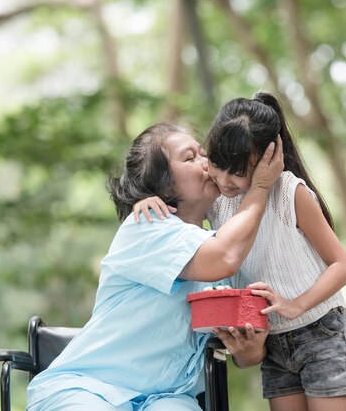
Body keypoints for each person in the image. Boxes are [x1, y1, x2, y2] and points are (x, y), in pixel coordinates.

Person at [26, 122, 284, 411]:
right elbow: (223, 257)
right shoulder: (145, 227)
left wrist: (250, 350)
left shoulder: (219, 244)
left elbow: (243, 356)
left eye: (203, 154)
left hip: (168, 398)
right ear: (162, 183)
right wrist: (260, 186)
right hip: (90, 387)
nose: (207, 162)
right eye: (190, 158)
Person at [135, 93, 346, 411]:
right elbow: (182, 222)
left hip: (320, 331)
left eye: (239, 171)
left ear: (266, 159)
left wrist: (296, 304)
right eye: (217, 165)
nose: (225, 180)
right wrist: (146, 200)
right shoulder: (217, 199)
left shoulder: (290, 192)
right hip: (272, 341)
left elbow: (343, 266)